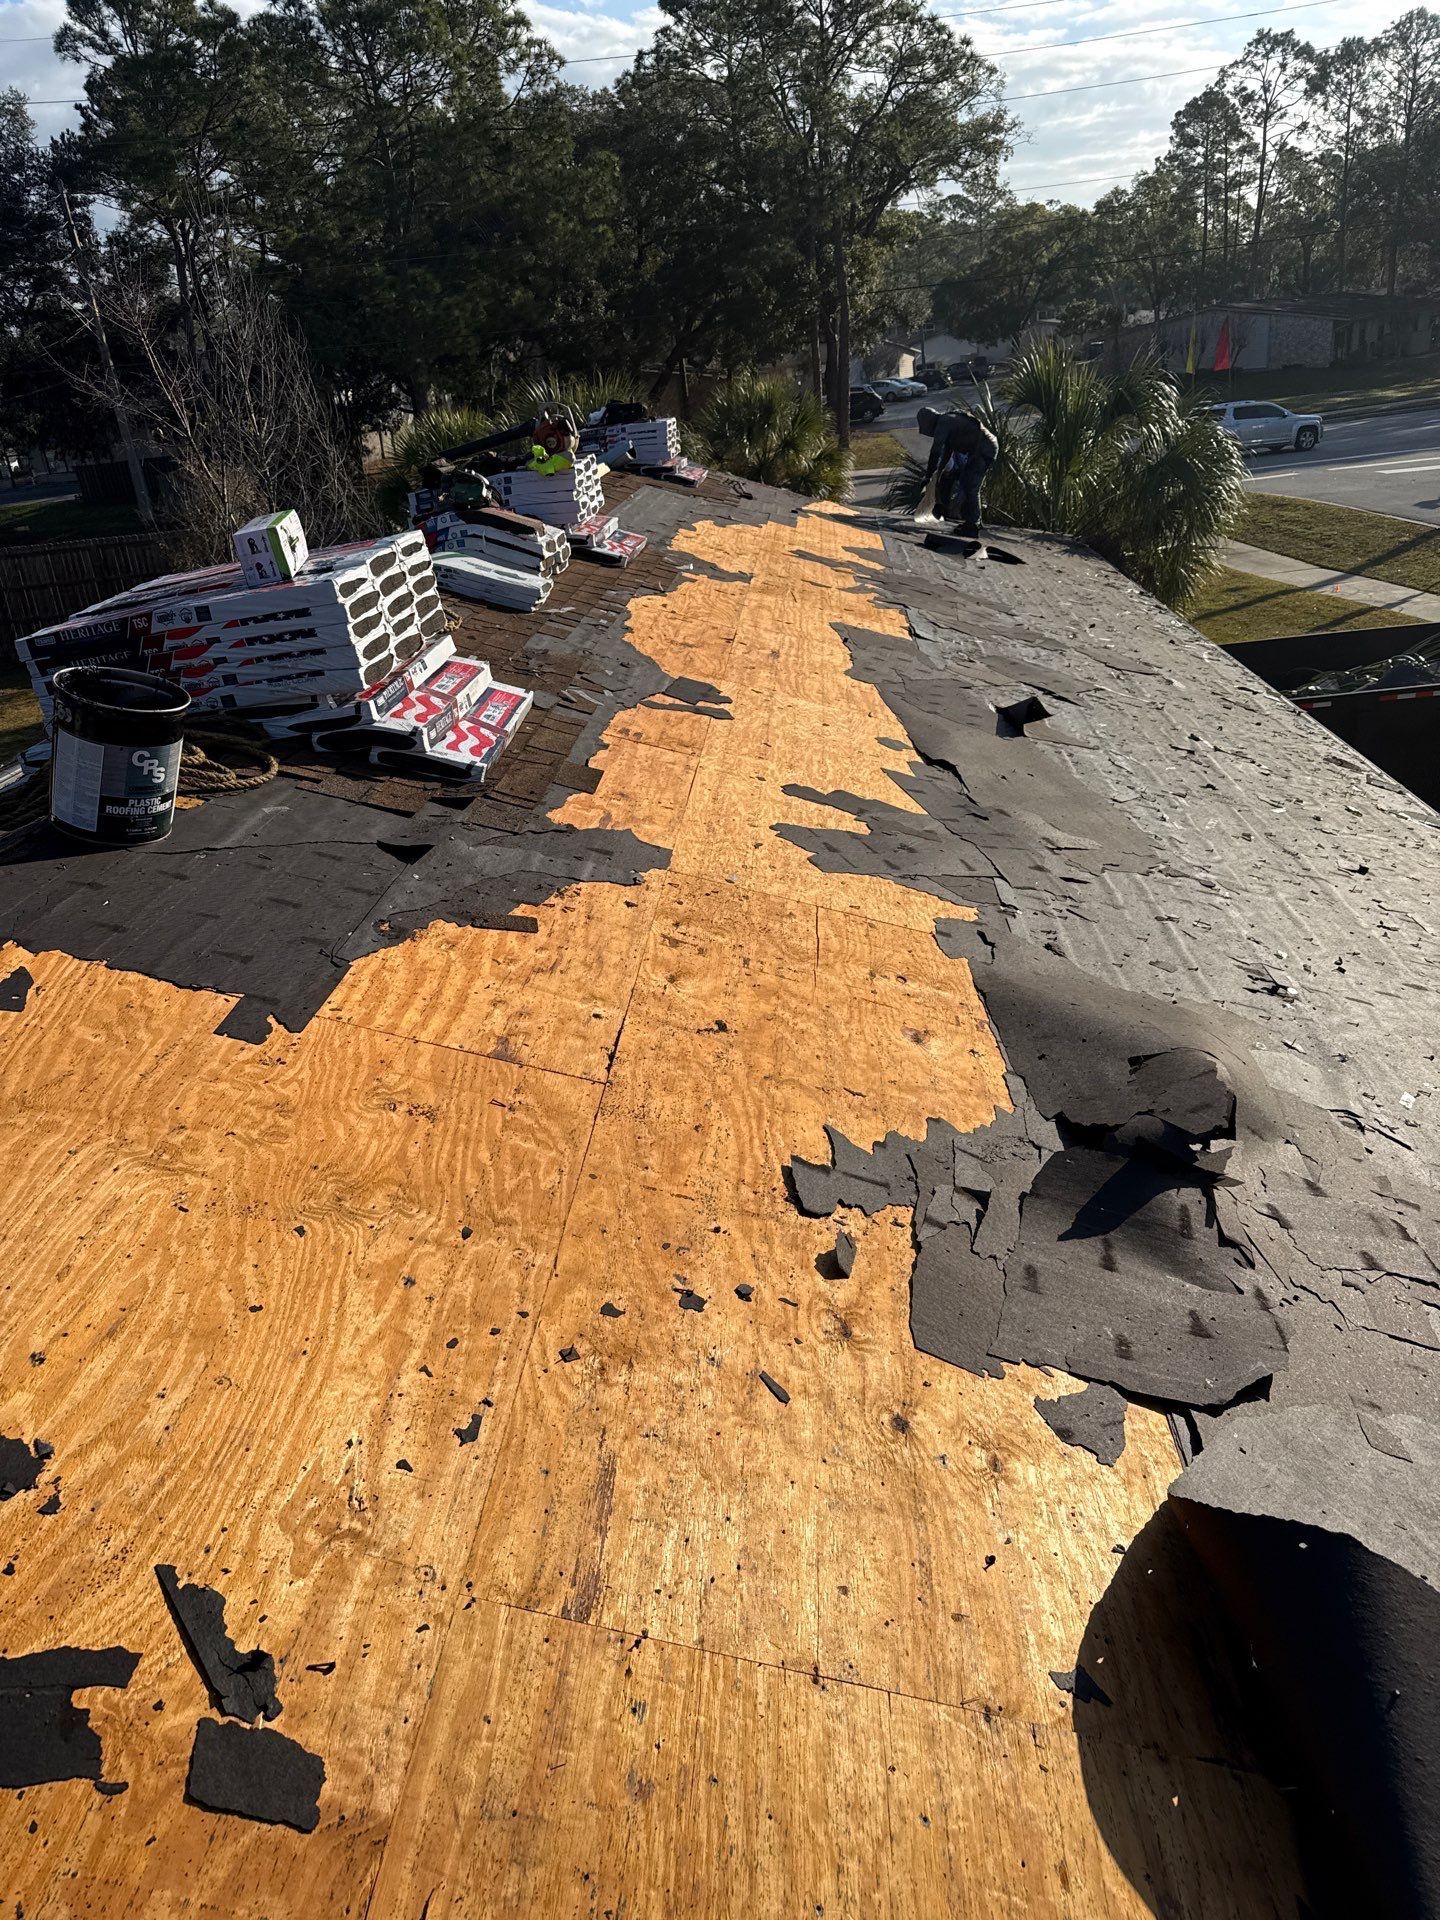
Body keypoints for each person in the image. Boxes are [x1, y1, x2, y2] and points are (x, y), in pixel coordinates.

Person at [917, 404, 999, 536]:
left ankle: (973, 525)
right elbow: (946, 454)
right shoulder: (948, 422)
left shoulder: (944, 422)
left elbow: (935, 452)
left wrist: (927, 476)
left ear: (929, 421)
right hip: (981, 449)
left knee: (971, 486)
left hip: (985, 448)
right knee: (967, 483)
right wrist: (935, 477)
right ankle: (974, 521)